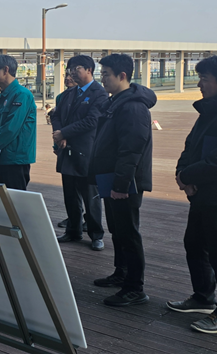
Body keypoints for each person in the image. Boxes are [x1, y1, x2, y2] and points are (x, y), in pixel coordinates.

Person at [90, 54, 156, 307]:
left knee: (128, 233)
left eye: (106, 74)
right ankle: (122, 272)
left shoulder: (133, 107)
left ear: (122, 76)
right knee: (117, 230)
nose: (103, 79)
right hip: (112, 178)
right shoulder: (116, 102)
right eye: (102, 74)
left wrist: (121, 184)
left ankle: (135, 287)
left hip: (126, 182)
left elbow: (131, 149)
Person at [166, 55, 217, 334]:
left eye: (204, 79)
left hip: (212, 194)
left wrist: (188, 176)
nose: (199, 84)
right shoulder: (206, 112)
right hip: (201, 196)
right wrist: (182, 174)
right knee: (195, 244)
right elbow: (190, 147)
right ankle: (203, 297)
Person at [51, 55, 107, 251]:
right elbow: (56, 115)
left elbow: (92, 121)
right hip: (66, 151)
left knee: (91, 197)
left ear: (89, 70)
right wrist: (59, 134)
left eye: (76, 69)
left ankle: (96, 234)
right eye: (70, 69)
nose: (72, 73)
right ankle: (73, 230)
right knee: (70, 195)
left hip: (87, 152)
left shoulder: (99, 93)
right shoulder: (69, 93)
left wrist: (64, 133)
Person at [0, 54, 36, 190]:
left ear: (6, 70)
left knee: (14, 200)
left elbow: (10, 129)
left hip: (15, 160)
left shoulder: (22, 95)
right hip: (0, 159)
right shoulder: (0, 98)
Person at [55, 73, 78, 229]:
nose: (68, 78)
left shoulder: (93, 94)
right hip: (63, 146)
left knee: (86, 190)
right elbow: (57, 118)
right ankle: (73, 219)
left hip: (82, 146)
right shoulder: (61, 97)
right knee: (69, 188)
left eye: (72, 75)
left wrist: (66, 134)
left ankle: (88, 219)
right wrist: (57, 141)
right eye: (66, 75)